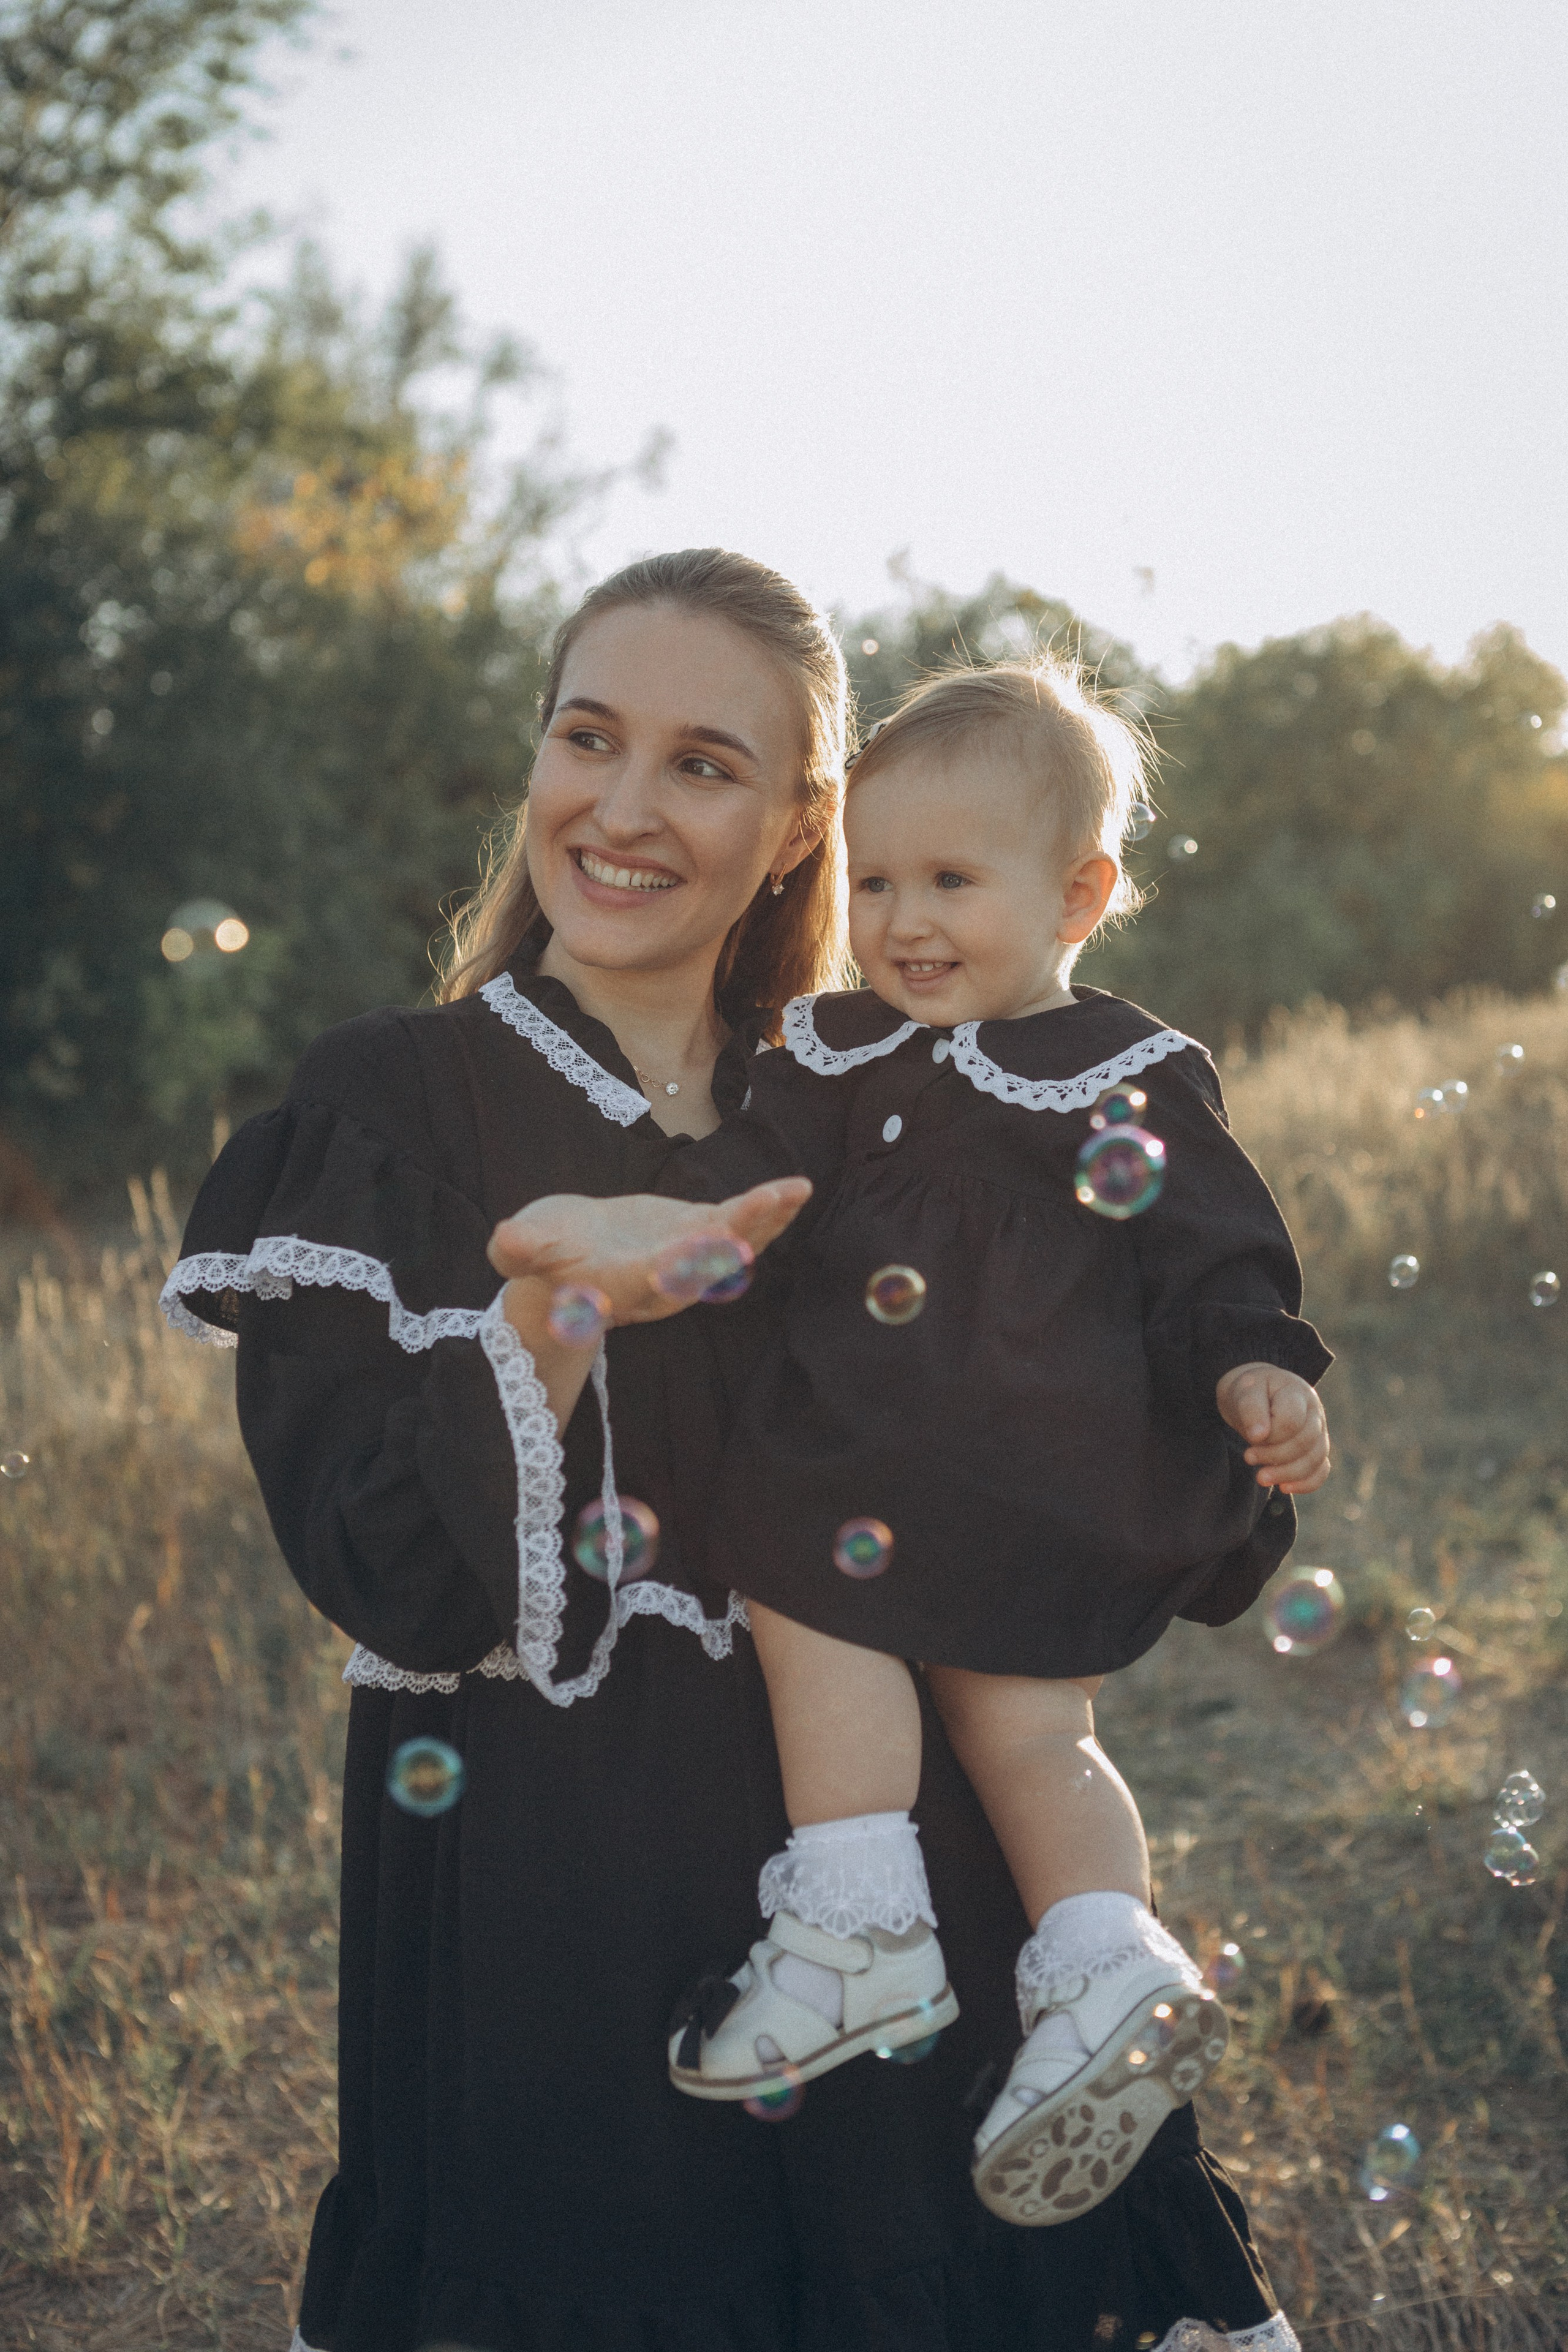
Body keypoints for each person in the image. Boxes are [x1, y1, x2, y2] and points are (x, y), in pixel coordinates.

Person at [164, 552, 1305, 2352]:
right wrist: (558, 1315)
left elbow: (1064, 1416)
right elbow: (381, 1564)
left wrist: (1232, 1397)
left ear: (796, 830)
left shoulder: (871, 1097)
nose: (621, 808)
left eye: (703, 764)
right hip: (562, 1889)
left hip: (886, 1873)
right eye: (587, 736)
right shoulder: (398, 1103)